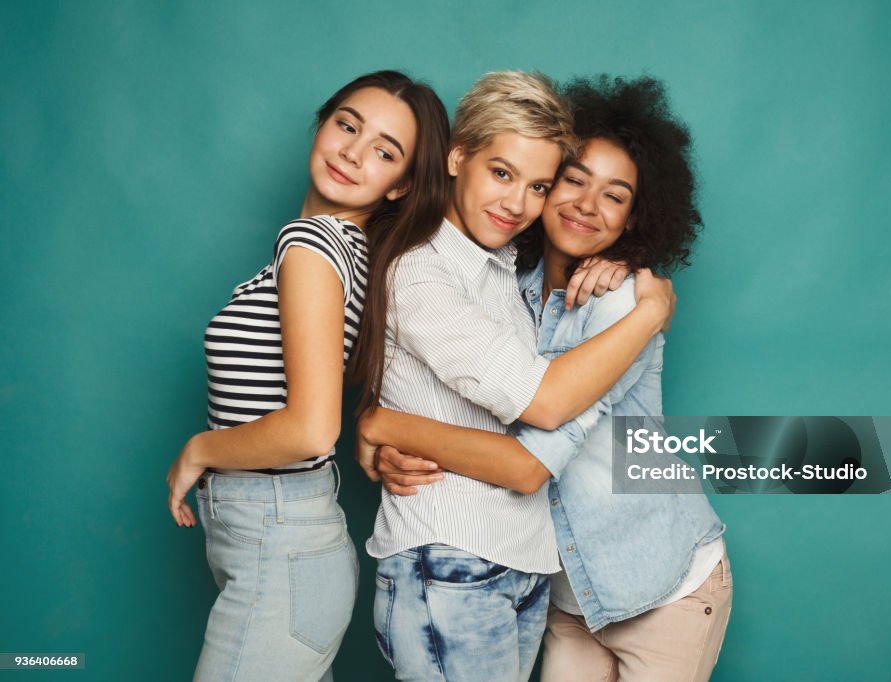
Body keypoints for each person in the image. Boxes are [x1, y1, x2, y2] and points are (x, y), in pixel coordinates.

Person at [360, 75, 730, 682]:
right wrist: (378, 433)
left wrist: (385, 423)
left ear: (636, 219)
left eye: (614, 196)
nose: (586, 205)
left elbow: (529, 461)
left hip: (661, 583)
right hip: (564, 591)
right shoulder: (509, 282)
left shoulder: (623, 305)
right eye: (571, 181)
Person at [164, 70, 450, 682]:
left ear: (401, 185)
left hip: (280, 544)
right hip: (283, 544)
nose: (352, 151)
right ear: (322, 125)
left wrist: (198, 450)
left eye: (384, 151)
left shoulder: (312, 243)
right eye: (347, 125)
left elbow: (313, 429)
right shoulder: (351, 250)